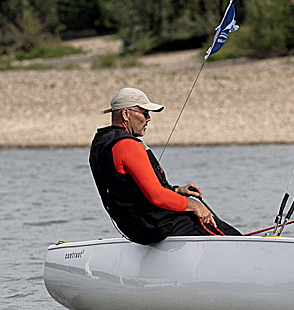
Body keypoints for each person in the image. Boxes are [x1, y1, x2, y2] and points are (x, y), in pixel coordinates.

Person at [89, 87, 241, 244]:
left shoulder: (102, 143)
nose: (148, 119)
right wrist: (194, 205)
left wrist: (177, 191)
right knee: (220, 229)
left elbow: (130, 191)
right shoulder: (127, 146)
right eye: (145, 113)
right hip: (154, 225)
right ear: (126, 114)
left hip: (135, 226)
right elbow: (157, 196)